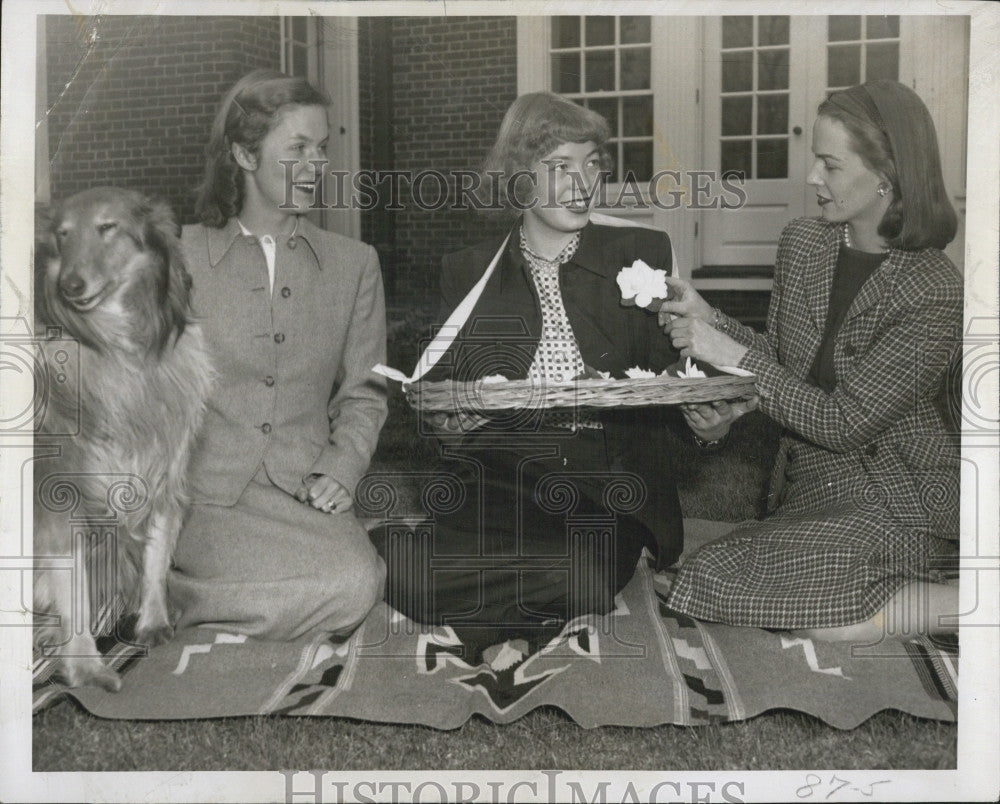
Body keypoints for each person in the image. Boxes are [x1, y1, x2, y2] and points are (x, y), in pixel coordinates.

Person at [372, 92, 751, 661]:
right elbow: (450, 412)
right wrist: (456, 424)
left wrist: (709, 426)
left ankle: (491, 607)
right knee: (396, 566)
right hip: (504, 482)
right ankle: (511, 598)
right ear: (517, 178)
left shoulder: (640, 252)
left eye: (592, 164)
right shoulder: (469, 271)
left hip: (607, 491)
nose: (582, 184)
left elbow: (680, 378)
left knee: (581, 576)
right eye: (559, 168)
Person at [659, 80, 961, 641]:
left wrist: (738, 357)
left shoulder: (933, 289)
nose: (812, 179)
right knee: (705, 578)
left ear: (887, 176)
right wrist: (708, 316)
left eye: (831, 165)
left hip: (897, 495)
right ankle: (898, 596)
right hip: (811, 486)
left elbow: (844, 422)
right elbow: (786, 361)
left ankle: (969, 600)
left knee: (815, 618)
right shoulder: (805, 242)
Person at [169, 70, 387, 639]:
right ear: (243, 154)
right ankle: (174, 577)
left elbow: (365, 393)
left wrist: (343, 467)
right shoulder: (179, 257)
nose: (317, 165)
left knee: (359, 581)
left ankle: (178, 598)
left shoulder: (354, 263)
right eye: (297, 149)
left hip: (302, 488)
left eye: (322, 149)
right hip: (205, 492)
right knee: (340, 588)